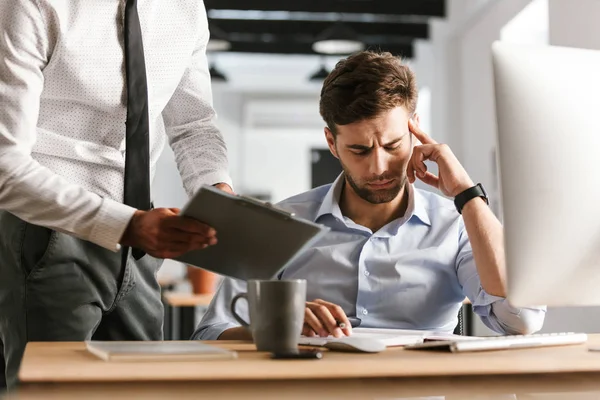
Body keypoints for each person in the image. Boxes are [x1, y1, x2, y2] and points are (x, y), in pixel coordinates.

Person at [193, 50, 546, 342]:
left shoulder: (454, 226)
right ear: (332, 143)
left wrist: (468, 194)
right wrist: (276, 328)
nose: (379, 167)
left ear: (415, 130)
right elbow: (210, 333)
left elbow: (520, 319)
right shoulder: (281, 222)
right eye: (359, 150)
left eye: (392, 145)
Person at [0, 0, 231, 389]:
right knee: (57, 394)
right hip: (51, 234)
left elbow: (194, 124)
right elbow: (5, 163)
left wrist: (218, 193)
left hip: (141, 246)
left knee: (140, 391)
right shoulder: (30, 4)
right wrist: (125, 224)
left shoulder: (186, 8)